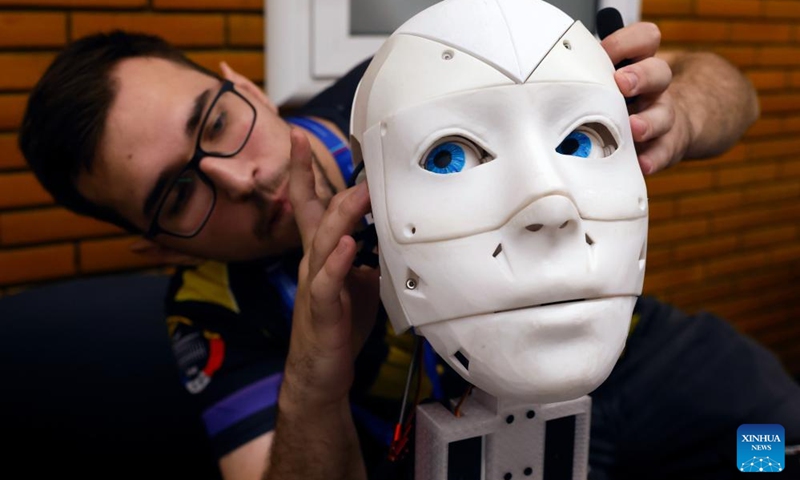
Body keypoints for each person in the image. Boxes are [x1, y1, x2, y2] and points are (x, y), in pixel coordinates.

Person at [18, 7, 794, 480]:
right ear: (157, 247)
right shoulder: (213, 312)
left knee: (771, 448)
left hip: (633, 360)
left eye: (216, 121)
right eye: (178, 194)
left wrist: (676, 114)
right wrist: (315, 376)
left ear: (242, 84)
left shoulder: (397, 88)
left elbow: (729, 86)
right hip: (457, 445)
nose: (243, 178)